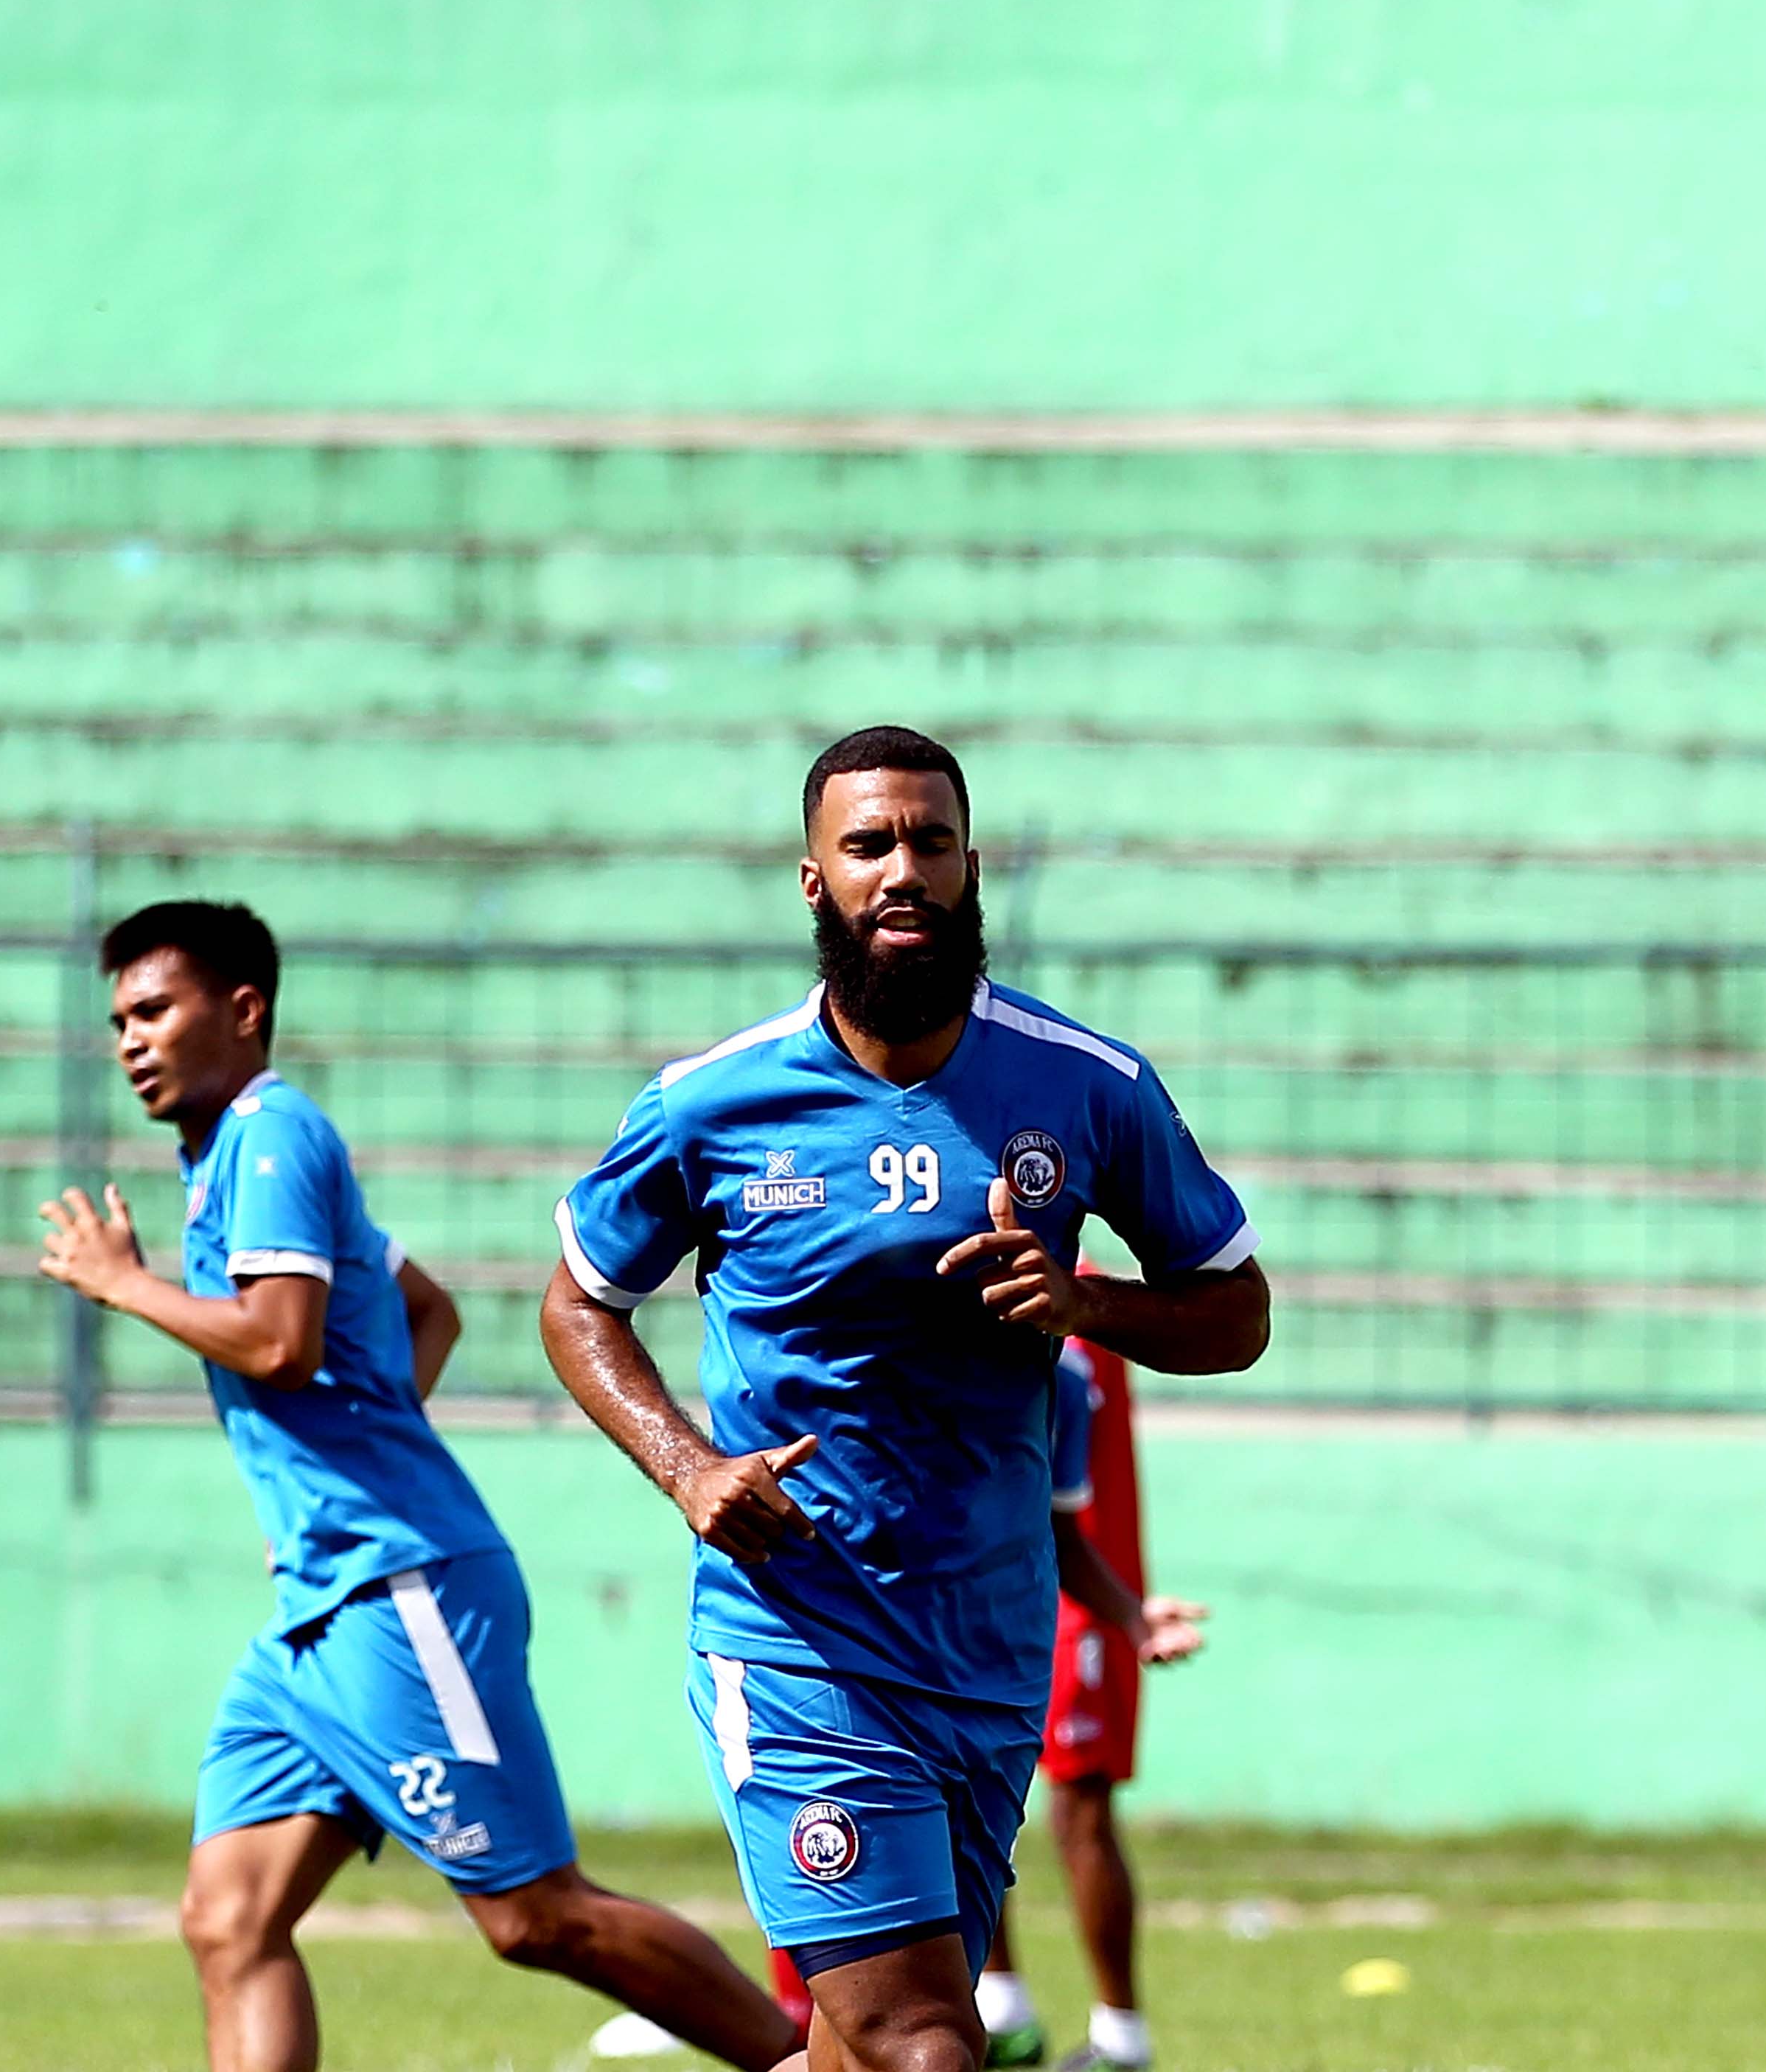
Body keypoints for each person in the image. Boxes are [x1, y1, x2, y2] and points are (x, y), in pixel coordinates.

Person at [541, 726, 1270, 2072]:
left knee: (857, 2044)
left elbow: (1237, 1309)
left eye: (931, 840)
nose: (904, 869)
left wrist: (1085, 1302)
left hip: (987, 1645)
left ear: (971, 863)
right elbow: (579, 1300)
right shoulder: (711, 1102)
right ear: (813, 877)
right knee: (931, 2040)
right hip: (799, 1629)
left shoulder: (1085, 1084)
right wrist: (689, 1467)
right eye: (870, 842)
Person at [37, 899, 808, 2072]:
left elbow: (282, 1340)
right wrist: (344, 1471)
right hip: (321, 1603)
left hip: (402, 1590)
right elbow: (424, 1306)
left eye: (154, 1010)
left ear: (242, 1012)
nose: (129, 1040)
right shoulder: (223, 1160)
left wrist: (122, 1283)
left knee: (533, 1915)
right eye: (118, 1022)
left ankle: (803, 2058)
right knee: (230, 1918)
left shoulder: (273, 1135)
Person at [972, 1339, 1206, 2071]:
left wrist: (1126, 1610)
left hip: (1073, 1596)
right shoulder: (962, 1279)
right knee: (962, 1796)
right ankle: (999, 2009)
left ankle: (1121, 2037)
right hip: (981, 1591)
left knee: (1079, 1805)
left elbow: (1068, 1498)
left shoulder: (1077, 1310)